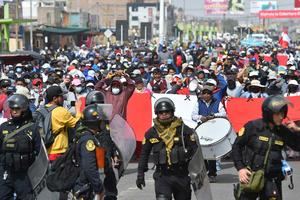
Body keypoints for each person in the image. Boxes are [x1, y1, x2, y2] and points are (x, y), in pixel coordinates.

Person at [232, 95, 300, 200]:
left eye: (283, 113)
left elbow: (297, 146)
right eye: (278, 114)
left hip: (272, 179)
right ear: (269, 113)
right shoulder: (253, 126)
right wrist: (241, 168)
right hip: (251, 175)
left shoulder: (283, 131)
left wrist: (297, 130)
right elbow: (237, 147)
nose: (281, 117)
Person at [136, 97, 198, 200]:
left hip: (181, 175)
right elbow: (144, 154)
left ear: (172, 112)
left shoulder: (184, 130)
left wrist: (199, 174)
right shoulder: (151, 132)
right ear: (157, 114)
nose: (164, 114)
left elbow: (196, 152)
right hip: (162, 176)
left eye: (167, 112)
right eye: (161, 112)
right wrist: (140, 174)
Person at [0, 94, 41, 199]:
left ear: (24, 109)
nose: (14, 111)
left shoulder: (32, 128)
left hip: (24, 174)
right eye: (12, 108)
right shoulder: (4, 127)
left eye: (17, 108)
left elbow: (39, 152)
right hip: (6, 172)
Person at [84, 91, 119, 200]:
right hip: (92, 167)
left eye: (100, 104)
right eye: (95, 104)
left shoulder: (104, 122)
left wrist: (114, 153)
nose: (98, 108)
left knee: (111, 194)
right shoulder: (83, 125)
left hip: (106, 163)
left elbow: (108, 139)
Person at [191, 85, 227, 182]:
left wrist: (214, 115)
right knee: (201, 152)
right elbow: (193, 116)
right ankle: (204, 171)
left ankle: (212, 174)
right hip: (202, 129)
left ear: (211, 94)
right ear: (201, 95)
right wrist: (200, 117)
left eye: (208, 93)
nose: (206, 95)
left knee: (212, 152)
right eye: (204, 93)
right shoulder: (198, 103)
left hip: (213, 129)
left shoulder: (217, 103)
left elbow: (224, 114)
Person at [73, 104, 106, 200]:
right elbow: (89, 166)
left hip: (87, 186)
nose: (103, 123)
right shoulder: (88, 141)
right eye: (101, 121)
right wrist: (98, 187)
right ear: (95, 123)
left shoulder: (87, 136)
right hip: (85, 188)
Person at [43, 86, 81, 162]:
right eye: (61, 96)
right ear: (54, 98)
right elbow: (78, 123)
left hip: (44, 152)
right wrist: (78, 109)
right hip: (58, 153)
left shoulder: (41, 109)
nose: (63, 98)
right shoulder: (60, 111)